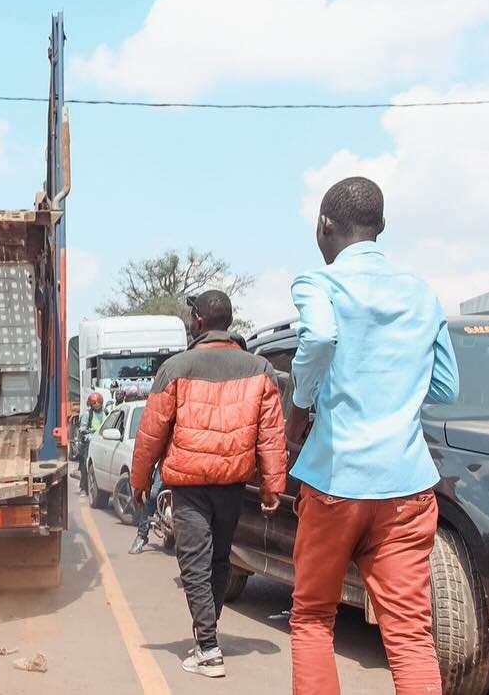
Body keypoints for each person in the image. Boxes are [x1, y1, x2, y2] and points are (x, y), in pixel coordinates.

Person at [286, 177, 458, 695]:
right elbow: (446, 386)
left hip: (336, 483)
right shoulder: (422, 293)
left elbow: (319, 336)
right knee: (409, 635)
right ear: (379, 228)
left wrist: (299, 405)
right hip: (406, 487)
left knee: (313, 618)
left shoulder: (319, 283)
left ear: (324, 226)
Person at [130, 291, 287, 679]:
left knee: (194, 563)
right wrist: (272, 487)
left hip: (190, 484)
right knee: (218, 559)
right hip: (232, 485)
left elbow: (151, 433)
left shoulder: (175, 368)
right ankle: (208, 637)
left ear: (199, 322)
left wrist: (140, 480)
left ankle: (207, 648)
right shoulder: (260, 368)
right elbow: (272, 435)